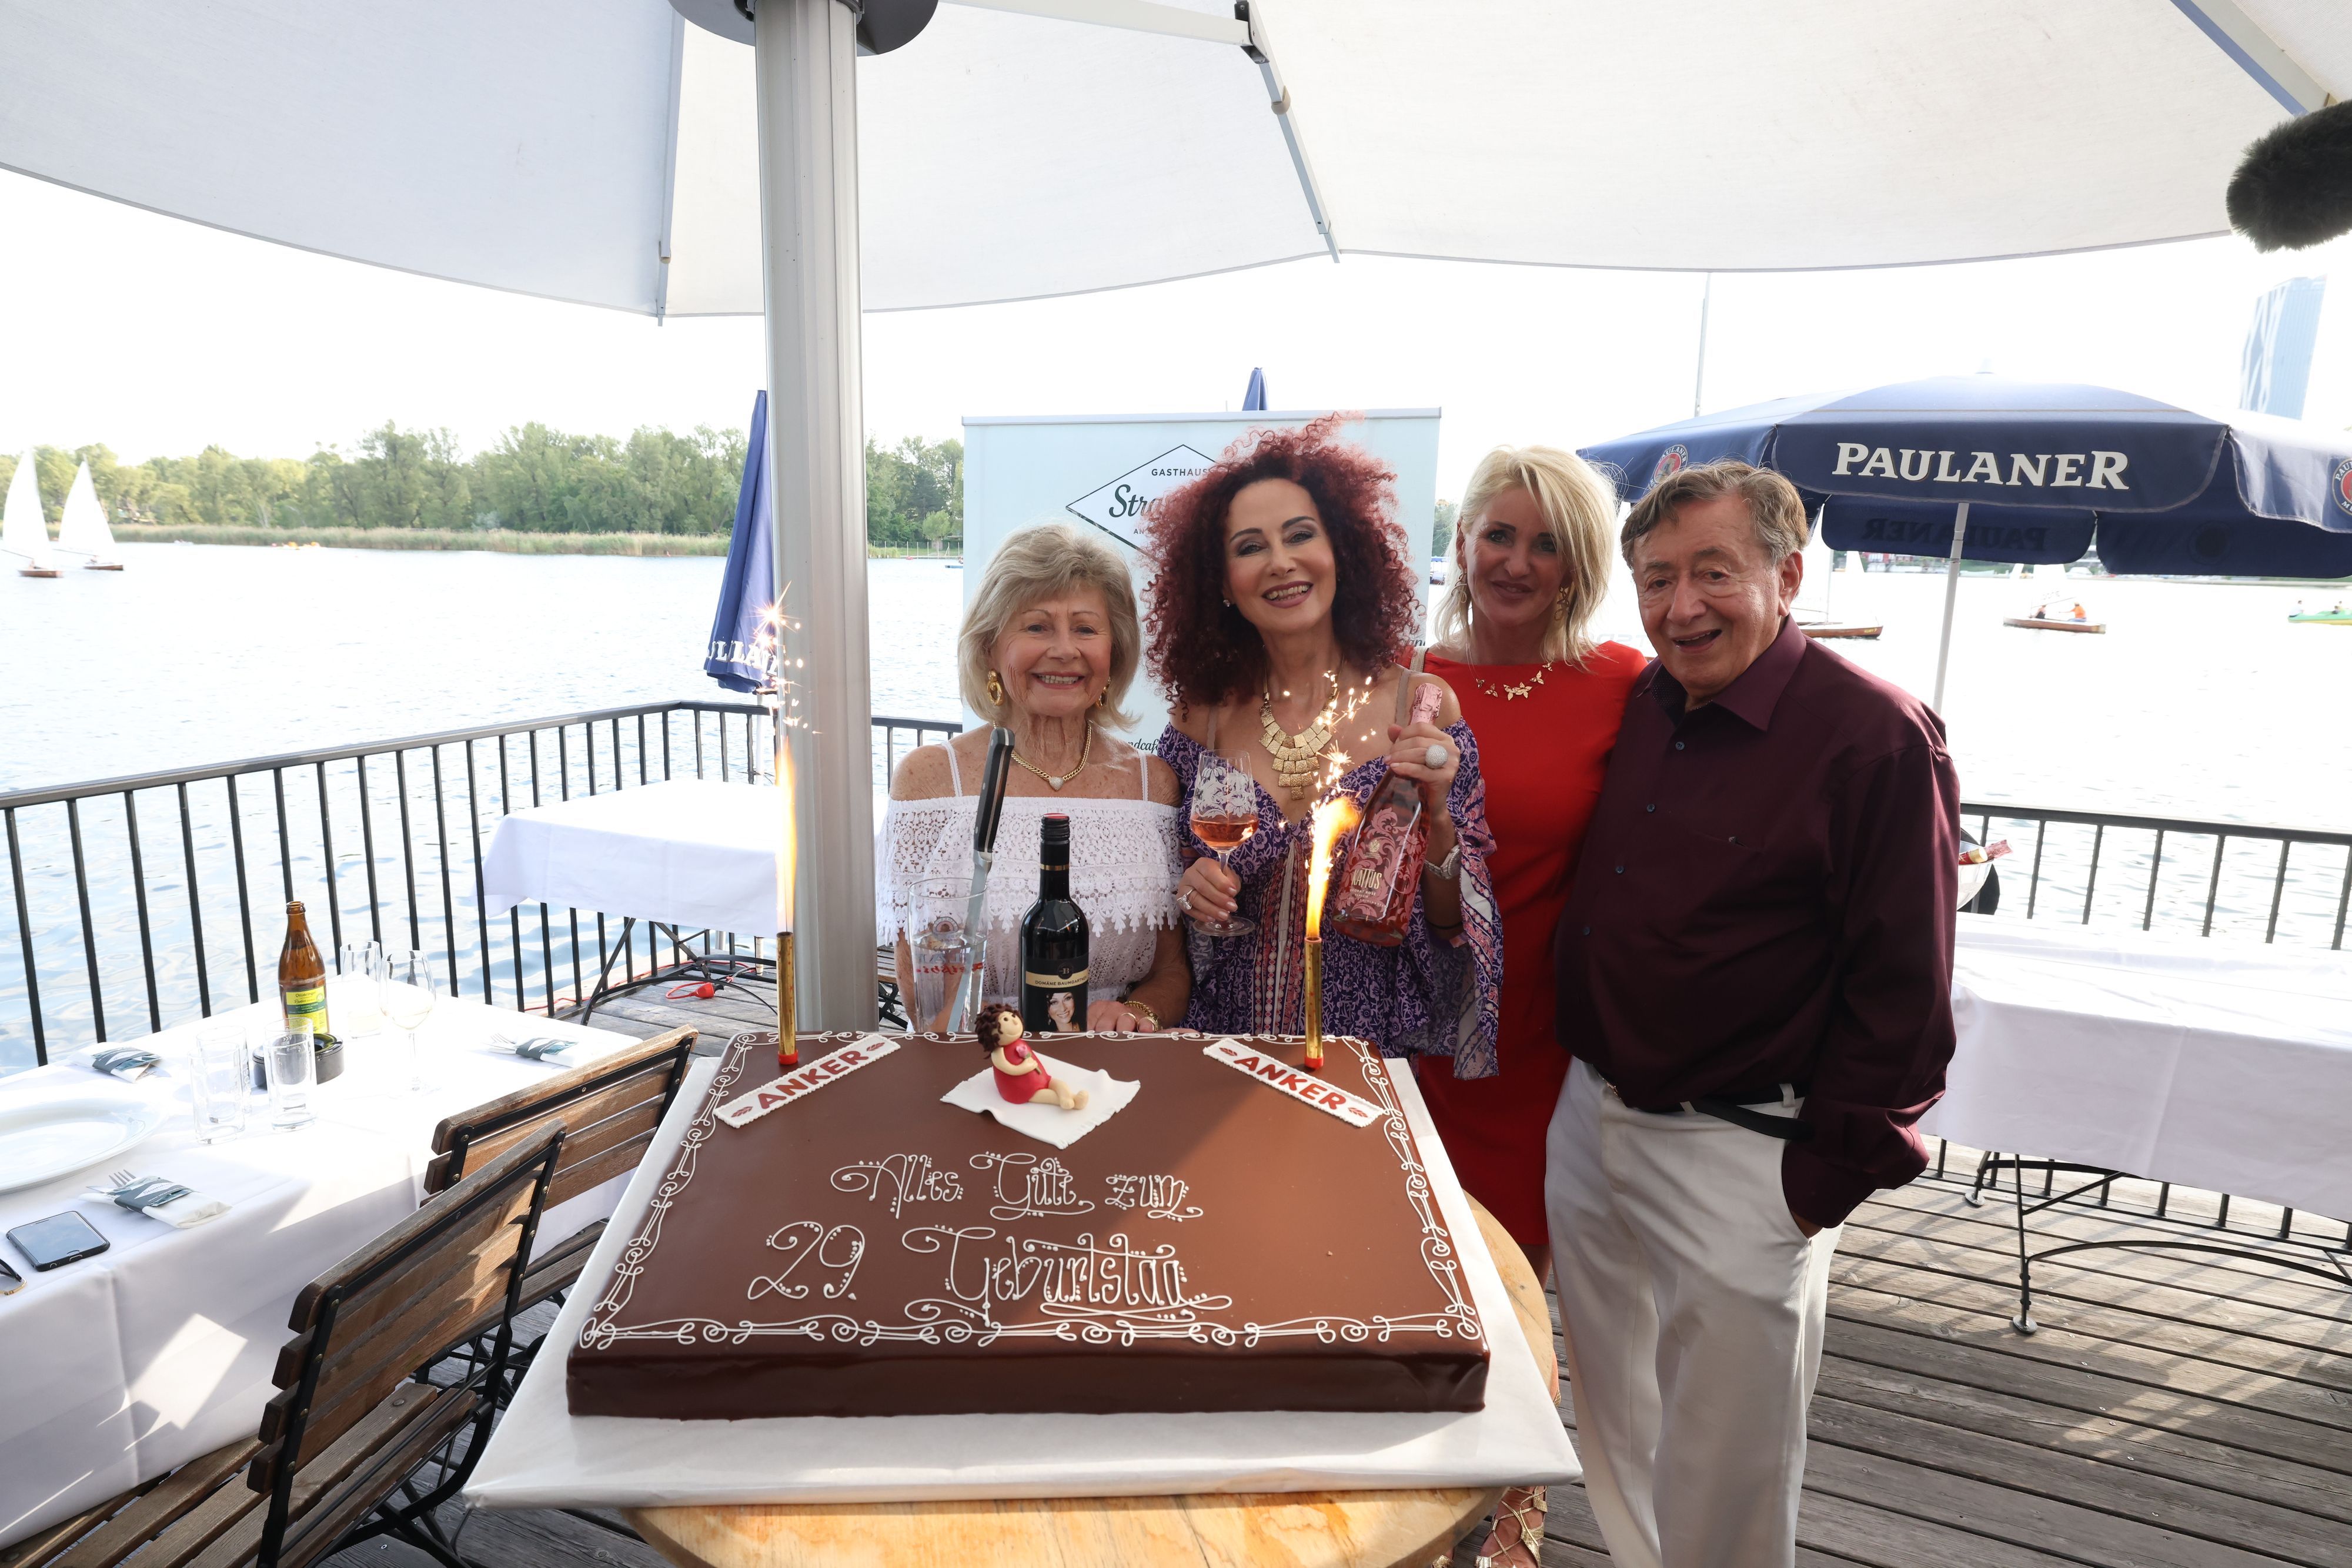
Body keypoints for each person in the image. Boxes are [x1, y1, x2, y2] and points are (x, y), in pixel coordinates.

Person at [1548, 460, 1959, 1568]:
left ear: (1788, 573)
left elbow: (1906, 994)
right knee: (1617, 1419)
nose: (1682, 606)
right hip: (1594, 1121)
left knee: (1731, 1463)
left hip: (1745, 1149)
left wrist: (1811, 1187)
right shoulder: (1647, 700)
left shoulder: (1873, 737)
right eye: (1657, 579)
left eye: (1714, 572)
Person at [1421, 446, 1643, 1568]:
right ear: (1461, 543)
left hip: (1545, 1046)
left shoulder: (1626, 683)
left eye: (1543, 540)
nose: (1514, 560)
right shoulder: (1400, 678)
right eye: (1496, 534)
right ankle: (1405, 1509)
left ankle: (1510, 1526)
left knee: (1518, 1290)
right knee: (1410, 1278)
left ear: (1578, 562)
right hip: (1412, 1036)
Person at [1145, 415, 1499, 1063]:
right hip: (1221, 1049)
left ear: (1342, 548)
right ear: (1221, 583)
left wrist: (1441, 816)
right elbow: (1163, 908)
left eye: (1300, 535)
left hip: (1359, 1055)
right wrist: (1190, 888)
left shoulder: (1421, 705)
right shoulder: (1199, 722)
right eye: (1250, 547)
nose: (1280, 562)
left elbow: (1452, 927)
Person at [881, 523, 1188, 1034]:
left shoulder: (1151, 785)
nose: (1065, 649)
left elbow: (1172, 971)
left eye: (1087, 628)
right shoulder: (932, 781)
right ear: (990, 649)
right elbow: (922, 998)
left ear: (1114, 652)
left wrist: (1139, 1013)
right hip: (975, 1069)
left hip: (1110, 1077)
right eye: (1037, 626)